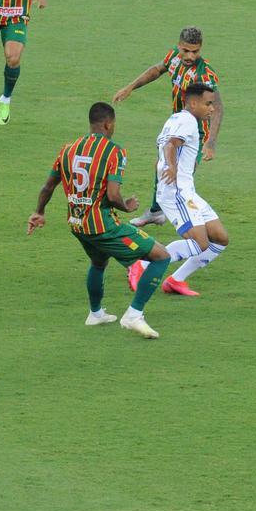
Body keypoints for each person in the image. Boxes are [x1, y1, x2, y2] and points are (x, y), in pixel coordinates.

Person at [27, 103, 186, 339]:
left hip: (77, 224)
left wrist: (39, 212)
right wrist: (126, 206)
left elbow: (48, 185)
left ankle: (96, 313)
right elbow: (112, 195)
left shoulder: (68, 149)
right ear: (108, 124)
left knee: (99, 262)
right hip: (103, 226)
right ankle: (134, 315)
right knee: (161, 256)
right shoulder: (114, 151)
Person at [112, 26, 223, 227]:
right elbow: (156, 70)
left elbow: (217, 107)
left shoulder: (204, 75)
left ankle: (195, 221)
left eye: (195, 51)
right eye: (186, 50)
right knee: (162, 166)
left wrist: (211, 142)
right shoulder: (174, 57)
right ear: (179, 46)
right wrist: (130, 87)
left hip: (195, 132)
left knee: (182, 176)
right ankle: (157, 212)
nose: (190, 56)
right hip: (177, 124)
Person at [127, 82, 228, 297]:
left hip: (186, 191)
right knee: (200, 243)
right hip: (177, 193)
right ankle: (141, 265)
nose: (212, 109)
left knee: (220, 238)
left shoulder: (175, 119)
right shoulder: (188, 122)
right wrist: (172, 168)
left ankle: (175, 280)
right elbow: (170, 145)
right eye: (208, 104)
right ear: (193, 103)